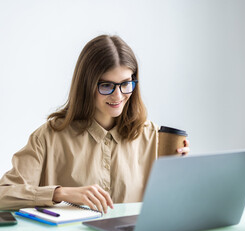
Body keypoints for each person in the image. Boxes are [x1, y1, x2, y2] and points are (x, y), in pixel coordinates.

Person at [0, 35, 190, 213]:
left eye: (126, 83)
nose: (118, 96)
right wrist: (60, 193)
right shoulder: (49, 137)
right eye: (106, 86)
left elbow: (173, 207)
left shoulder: (154, 137)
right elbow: (3, 195)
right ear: (86, 85)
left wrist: (182, 173)